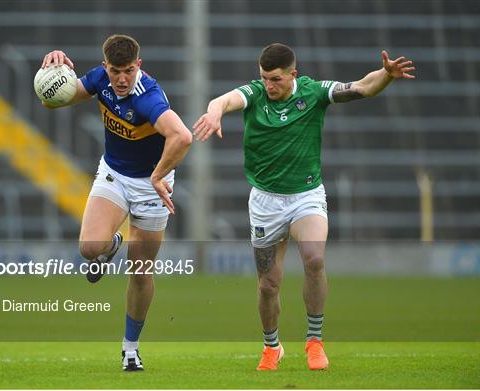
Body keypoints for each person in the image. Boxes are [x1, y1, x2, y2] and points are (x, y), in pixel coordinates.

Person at [193, 43, 415, 371]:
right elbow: (224, 100)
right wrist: (214, 112)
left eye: (276, 79)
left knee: (314, 259)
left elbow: (360, 88)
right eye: (265, 78)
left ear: (293, 75)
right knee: (268, 284)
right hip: (265, 201)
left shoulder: (312, 93)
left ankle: (314, 341)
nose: (269, 85)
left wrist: (386, 75)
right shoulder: (255, 94)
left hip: (306, 195)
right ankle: (272, 347)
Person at [41, 34, 192, 371]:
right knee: (89, 249)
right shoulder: (99, 79)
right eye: (114, 71)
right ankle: (110, 246)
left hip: (153, 184)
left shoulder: (148, 98)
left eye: (127, 71)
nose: (121, 79)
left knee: (140, 272)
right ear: (105, 65)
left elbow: (182, 136)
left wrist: (158, 176)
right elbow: (52, 102)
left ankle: (130, 348)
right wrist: (56, 74)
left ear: (138, 65)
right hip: (114, 174)